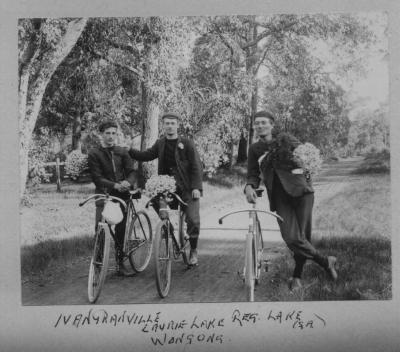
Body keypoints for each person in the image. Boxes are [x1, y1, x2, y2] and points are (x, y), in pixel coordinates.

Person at [244, 110, 337, 291]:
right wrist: (249, 186)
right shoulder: (254, 149)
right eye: (257, 123)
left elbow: (308, 157)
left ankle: (297, 277)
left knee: (302, 236)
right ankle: (326, 262)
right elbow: (252, 173)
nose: (260, 126)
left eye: (264, 122)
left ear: (272, 125)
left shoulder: (286, 139)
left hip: (302, 192)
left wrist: (303, 170)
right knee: (290, 237)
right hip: (279, 197)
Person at [129, 112, 203, 266]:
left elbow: (196, 166)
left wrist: (196, 187)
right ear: (163, 125)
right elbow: (147, 155)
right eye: (167, 123)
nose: (170, 126)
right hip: (166, 185)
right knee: (155, 200)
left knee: (193, 220)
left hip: (187, 187)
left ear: (177, 125)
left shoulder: (187, 143)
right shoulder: (160, 143)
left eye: (172, 123)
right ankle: (166, 227)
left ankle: (194, 250)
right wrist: (129, 151)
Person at [88, 120, 136, 276]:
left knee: (121, 229)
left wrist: (127, 182)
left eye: (113, 133)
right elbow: (97, 177)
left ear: (117, 134)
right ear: (101, 134)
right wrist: (114, 185)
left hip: (122, 195)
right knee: (101, 227)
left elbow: (132, 172)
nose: (110, 136)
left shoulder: (122, 152)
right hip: (103, 193)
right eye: (107, 133)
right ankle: (98, 265)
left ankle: (120, 263)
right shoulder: (94, 153)